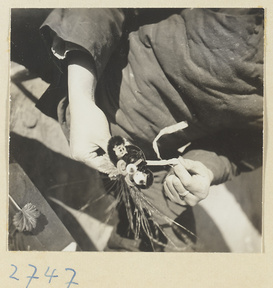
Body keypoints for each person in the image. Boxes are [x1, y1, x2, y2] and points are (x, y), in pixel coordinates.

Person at [11, 8, 263, 251]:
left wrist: (206, 167)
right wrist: (82, 98)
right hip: (91, 56)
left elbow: (243, 147)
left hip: (146, 152)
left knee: (171, 258)